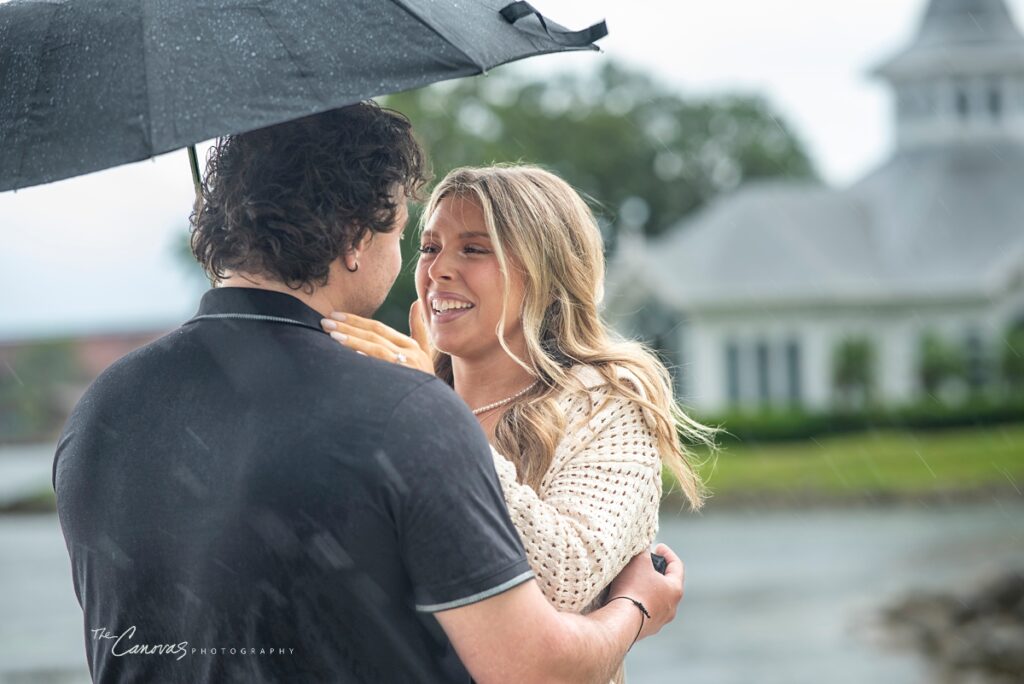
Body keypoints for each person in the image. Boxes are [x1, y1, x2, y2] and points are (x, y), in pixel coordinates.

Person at [52, 103, 685, 684]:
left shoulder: (100, 407)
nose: (433, 266)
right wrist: (636, 607)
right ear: (357, 239)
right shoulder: (403, 413)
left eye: (474, 249)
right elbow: (532, 665)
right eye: (420, 240)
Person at [320, 164, 714, 682]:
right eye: (431, 247)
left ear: (546, 273)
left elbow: (566, 578)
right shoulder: (397, 401)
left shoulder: (609, 408)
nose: (439, 269)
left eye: (475, 249)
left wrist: (435, 419)